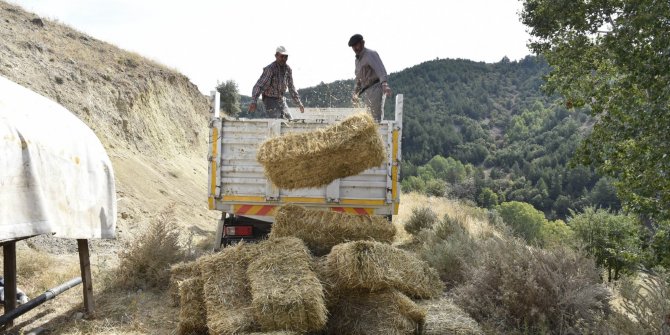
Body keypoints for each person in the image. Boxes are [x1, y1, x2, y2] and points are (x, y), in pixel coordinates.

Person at [249, 46, 305, 119]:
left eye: (286, 57)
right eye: (282, 56)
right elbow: (259, 86)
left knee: (289, 120)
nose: (284, 59)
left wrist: (299, 103)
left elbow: (291, 87)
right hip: (269, 99)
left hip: (281, 99)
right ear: (276, 56)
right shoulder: (270, 69)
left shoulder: (288, 69)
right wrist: (254, 101)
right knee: (278, 120)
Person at [348, 34, 392, 121]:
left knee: (374, 118)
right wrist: (355, 92)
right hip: (366, 91)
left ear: (362, 43)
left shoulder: (370, 54)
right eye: (353, 46)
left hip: (375, 88)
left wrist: (384, 83)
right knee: (368, 118)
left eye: (356, 45)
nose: (355, 48)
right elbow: (359, 78)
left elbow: (380, 69)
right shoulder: (357, 60)